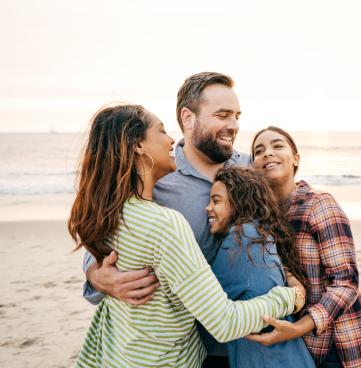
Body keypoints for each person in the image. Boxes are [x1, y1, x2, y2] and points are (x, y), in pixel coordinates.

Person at [69, 106, 304, 367]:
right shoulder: (165, 222)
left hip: (119, 354)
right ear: (137, 145)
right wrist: (289, 297)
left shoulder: (108, 213)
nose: (170, 139)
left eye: (237, 117)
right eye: (161, 130)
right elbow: (225, 323)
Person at [82, 72, 247, 367]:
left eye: (236, 116)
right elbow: (103, 238)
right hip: (189, 344)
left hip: (248, 340)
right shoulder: (155, 178)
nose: (233, 125)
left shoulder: (250, 168)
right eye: (222, 115)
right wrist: (98, 276)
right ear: (188, 117)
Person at [247, 126, 361, 368]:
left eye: (277, 146)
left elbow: (346, 283)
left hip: (339, 343)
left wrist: (296, 328)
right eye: (259, 151)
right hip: (301, 346)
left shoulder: (319, 204)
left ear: (295, 159)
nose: (267, 154)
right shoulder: (261, 218)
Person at [205, 167, 315, 368]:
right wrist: (296, 292)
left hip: (266, 360)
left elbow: (203, 303)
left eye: (216, 200)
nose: (208, 208)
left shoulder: (239, 239)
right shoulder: (259, 233)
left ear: (239, 202)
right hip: (290, 356)